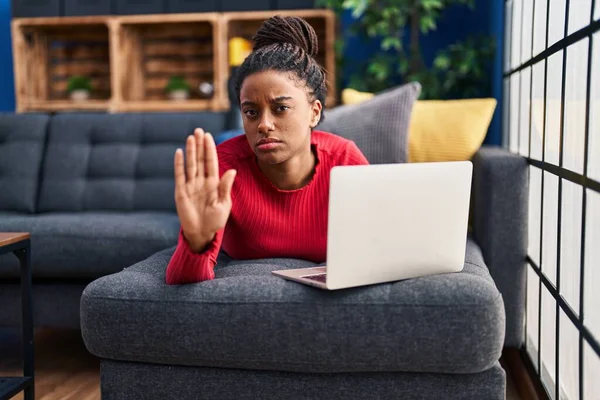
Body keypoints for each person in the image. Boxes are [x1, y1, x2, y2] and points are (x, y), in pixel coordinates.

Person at [166, 15, 369, 285]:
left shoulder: (344, 159)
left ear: (314, 112)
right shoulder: (223, 168)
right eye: (251, 112)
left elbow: (378, 250)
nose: (264, 125)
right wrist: (196, 240)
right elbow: (182, 283)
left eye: (281, 108)